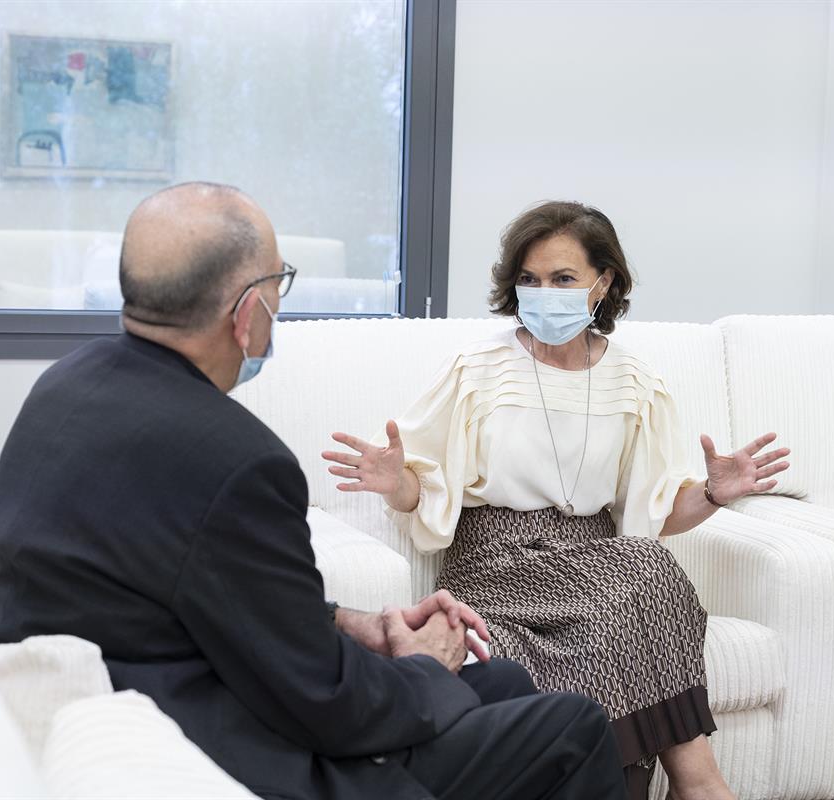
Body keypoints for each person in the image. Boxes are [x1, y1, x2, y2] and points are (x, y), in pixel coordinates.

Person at [0, 183, 627, 800]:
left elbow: (201, 588)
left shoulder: (66, 386)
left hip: (147, 681)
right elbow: (328, 707)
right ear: (246, 312)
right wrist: (424, 665)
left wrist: (358, 625)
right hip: (225, 745)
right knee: (574, 729)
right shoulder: (238, 460)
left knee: (504, 679)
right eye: (277, 284)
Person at [324, 201, 791, 800]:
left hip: (597, 564)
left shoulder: (636, 384)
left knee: (647, 576)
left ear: (605, 284)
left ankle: (689, 781)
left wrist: (712, 494)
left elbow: (655, 513)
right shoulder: (479, 369)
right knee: (647, 581)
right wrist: (396, 482)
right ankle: (697, 781)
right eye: (530, 279)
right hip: (496, 563)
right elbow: (427, 485)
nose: (543, 293)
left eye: (563, 279)